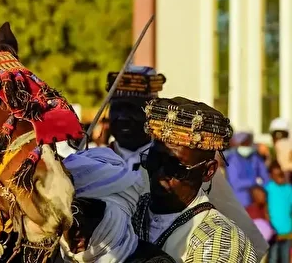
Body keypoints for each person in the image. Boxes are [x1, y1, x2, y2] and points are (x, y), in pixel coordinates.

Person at [107, 67, 269, 258]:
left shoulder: (218, 236)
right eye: (153, 161)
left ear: (207, 172)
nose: (123, 118)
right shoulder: (95, 167)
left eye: (133, 109)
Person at [133, 97, 257, 262]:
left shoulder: (221, 238)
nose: (160, 173)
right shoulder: (128, 211)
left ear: (208, 171)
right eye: (154, 159)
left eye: (175, 167)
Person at [61, 147, 173, 262]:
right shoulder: (53, 256)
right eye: (67, 217)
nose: (76, 230)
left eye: (89, 214)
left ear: (117, 213)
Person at [107, 66, 165, 170]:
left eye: (132, 108)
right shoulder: (95, 163)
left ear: (153, 114)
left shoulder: (169, 165)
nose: (122, 118)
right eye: (117, 108)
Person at [225, 131, 271, 207]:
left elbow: (265, 178)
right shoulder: (232, 159)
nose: (246, 146)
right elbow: (235, 183)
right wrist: (254, 182)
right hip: (240, 202)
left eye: (247, 144)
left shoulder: (255, 157)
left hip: (257, 202)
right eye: (243, 144)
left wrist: (260, 186)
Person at [266, 162, 292, 263]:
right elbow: (265, 210)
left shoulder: (289, 189)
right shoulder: (268, 188)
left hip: (287, 232)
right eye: (276, 175)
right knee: (273, 258)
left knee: (285, 259)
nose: (279, 177)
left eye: (280, 174)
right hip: (274, 233)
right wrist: (270, 229)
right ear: (271, 176)